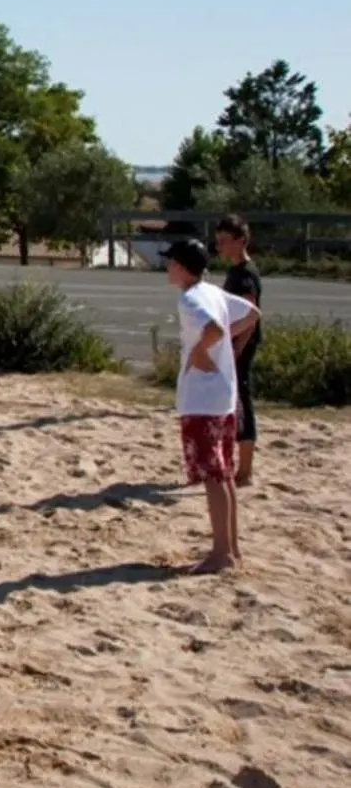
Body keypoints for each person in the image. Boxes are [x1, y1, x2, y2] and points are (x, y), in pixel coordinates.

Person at [166, 237, 258, 574]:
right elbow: (252, 314)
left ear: (182, 267)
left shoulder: (191, 298)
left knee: (213, 476)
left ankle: (221, 553)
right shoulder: (213, 292)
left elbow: (214, 328)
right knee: (224, 473)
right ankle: (231, 549)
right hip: (223, 396)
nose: (167, 268)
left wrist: (201, 350)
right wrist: (220, 346)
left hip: (202, 399)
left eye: (171, 262)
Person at [215, 214, 264, 487]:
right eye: (218, 240)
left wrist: (235, 350)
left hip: (240, 346)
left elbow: (249, 316)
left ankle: (245, 471)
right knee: (234, 403)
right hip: (231, 344)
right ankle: (235, 464)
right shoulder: (235, 271)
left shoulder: (245, 274)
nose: (219, 246)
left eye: (224, 241)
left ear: (240, 241)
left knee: (242, 402)